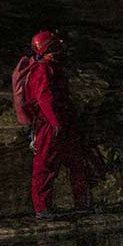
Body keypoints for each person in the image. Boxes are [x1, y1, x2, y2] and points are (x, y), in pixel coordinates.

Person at [25, 30, 92, 219]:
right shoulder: (42, 69)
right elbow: (44, 97)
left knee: (76, 162)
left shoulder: (52, 67)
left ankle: (82, 204)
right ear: (49, 48)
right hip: (49, 123)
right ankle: (43, 209)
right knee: (45, 165)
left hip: (61, 121)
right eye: (56, 47)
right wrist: (55, 123)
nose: (60, 50)